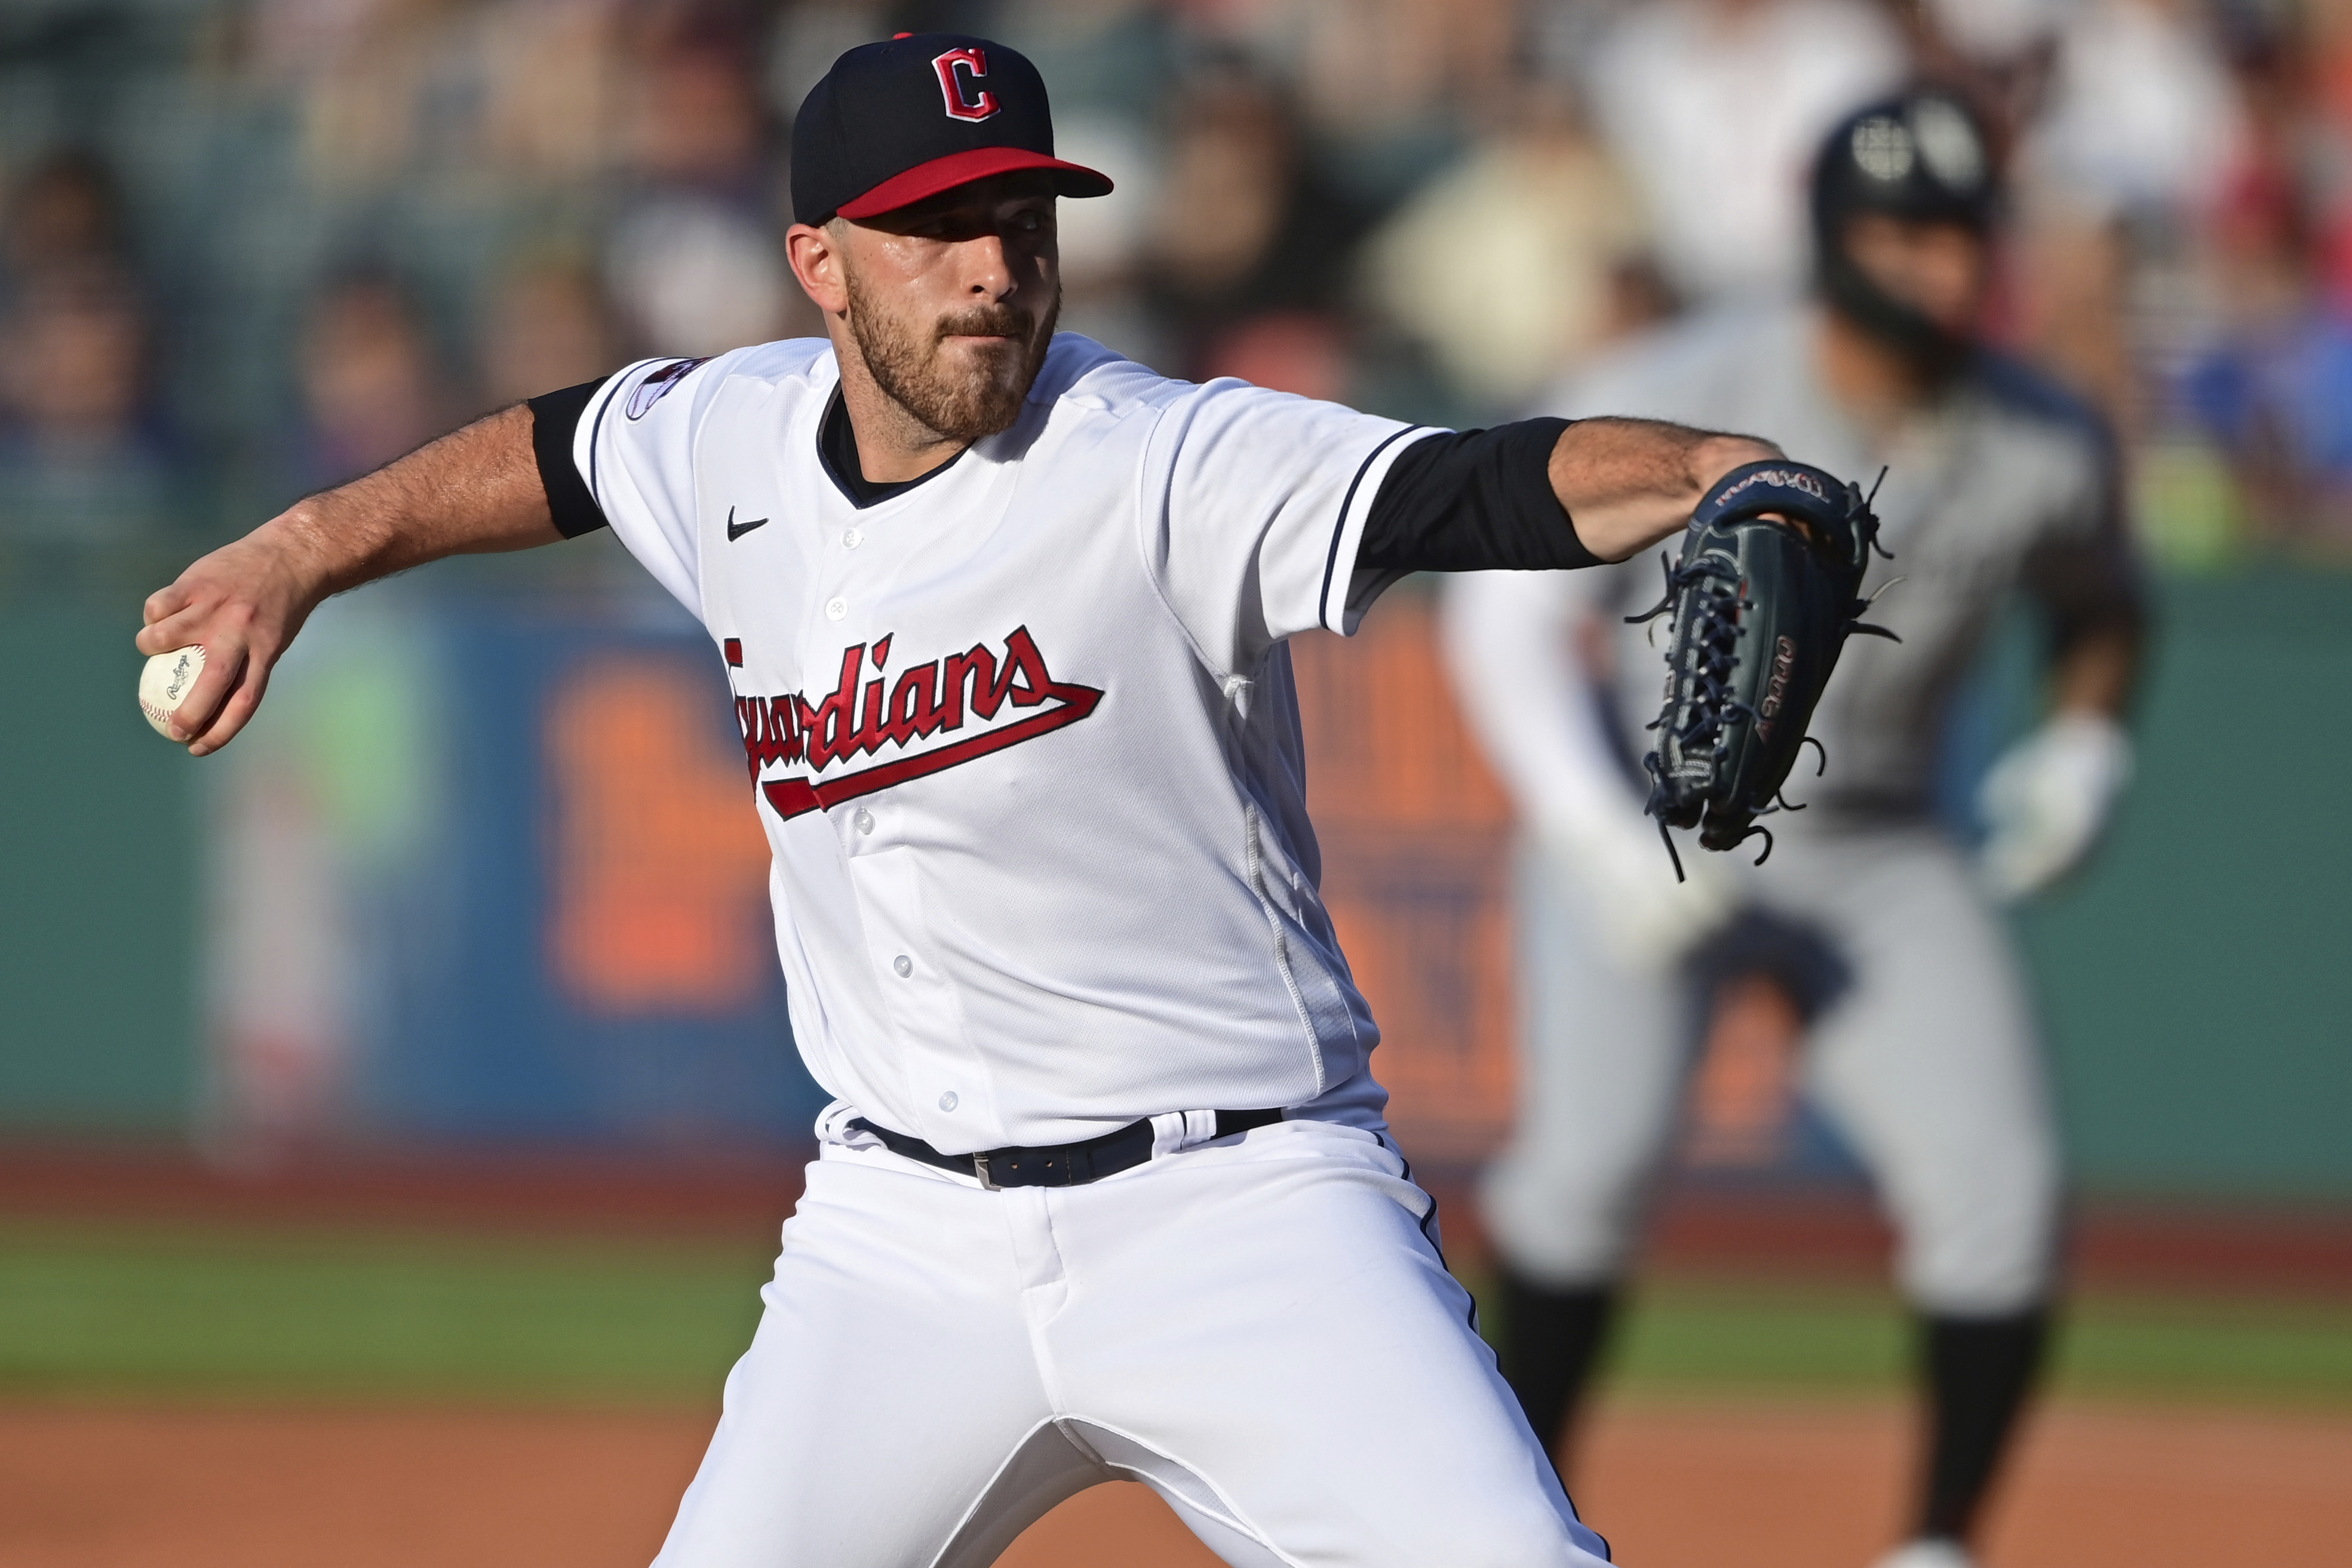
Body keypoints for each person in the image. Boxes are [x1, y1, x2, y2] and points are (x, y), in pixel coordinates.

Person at [142, 33, 1814, 1568]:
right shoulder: (725, 438)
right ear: (817, 262)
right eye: (935, 227)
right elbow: (562, 449)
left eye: (1021, 220)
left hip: (1239, 1206)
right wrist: (296, 551)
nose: (993, 271)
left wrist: (1713, 474)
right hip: (899, 1236)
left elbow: (1477, 485)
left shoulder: (1163, 458)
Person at [1441, 90, 2145, 1568]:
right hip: (1654, 823)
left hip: (1878, 844)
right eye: (1899, 235)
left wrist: (2085, 740)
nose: (1935, 271)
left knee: (1998, 1192)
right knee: (1586, 1176)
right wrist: (1590, 835)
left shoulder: (2039, 436)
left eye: (1956, 238)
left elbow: (2100, 602)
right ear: (1830, 241)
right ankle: (1497, 1527)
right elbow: (1497, 611)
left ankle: (1937, 1544)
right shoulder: (1688, 383)